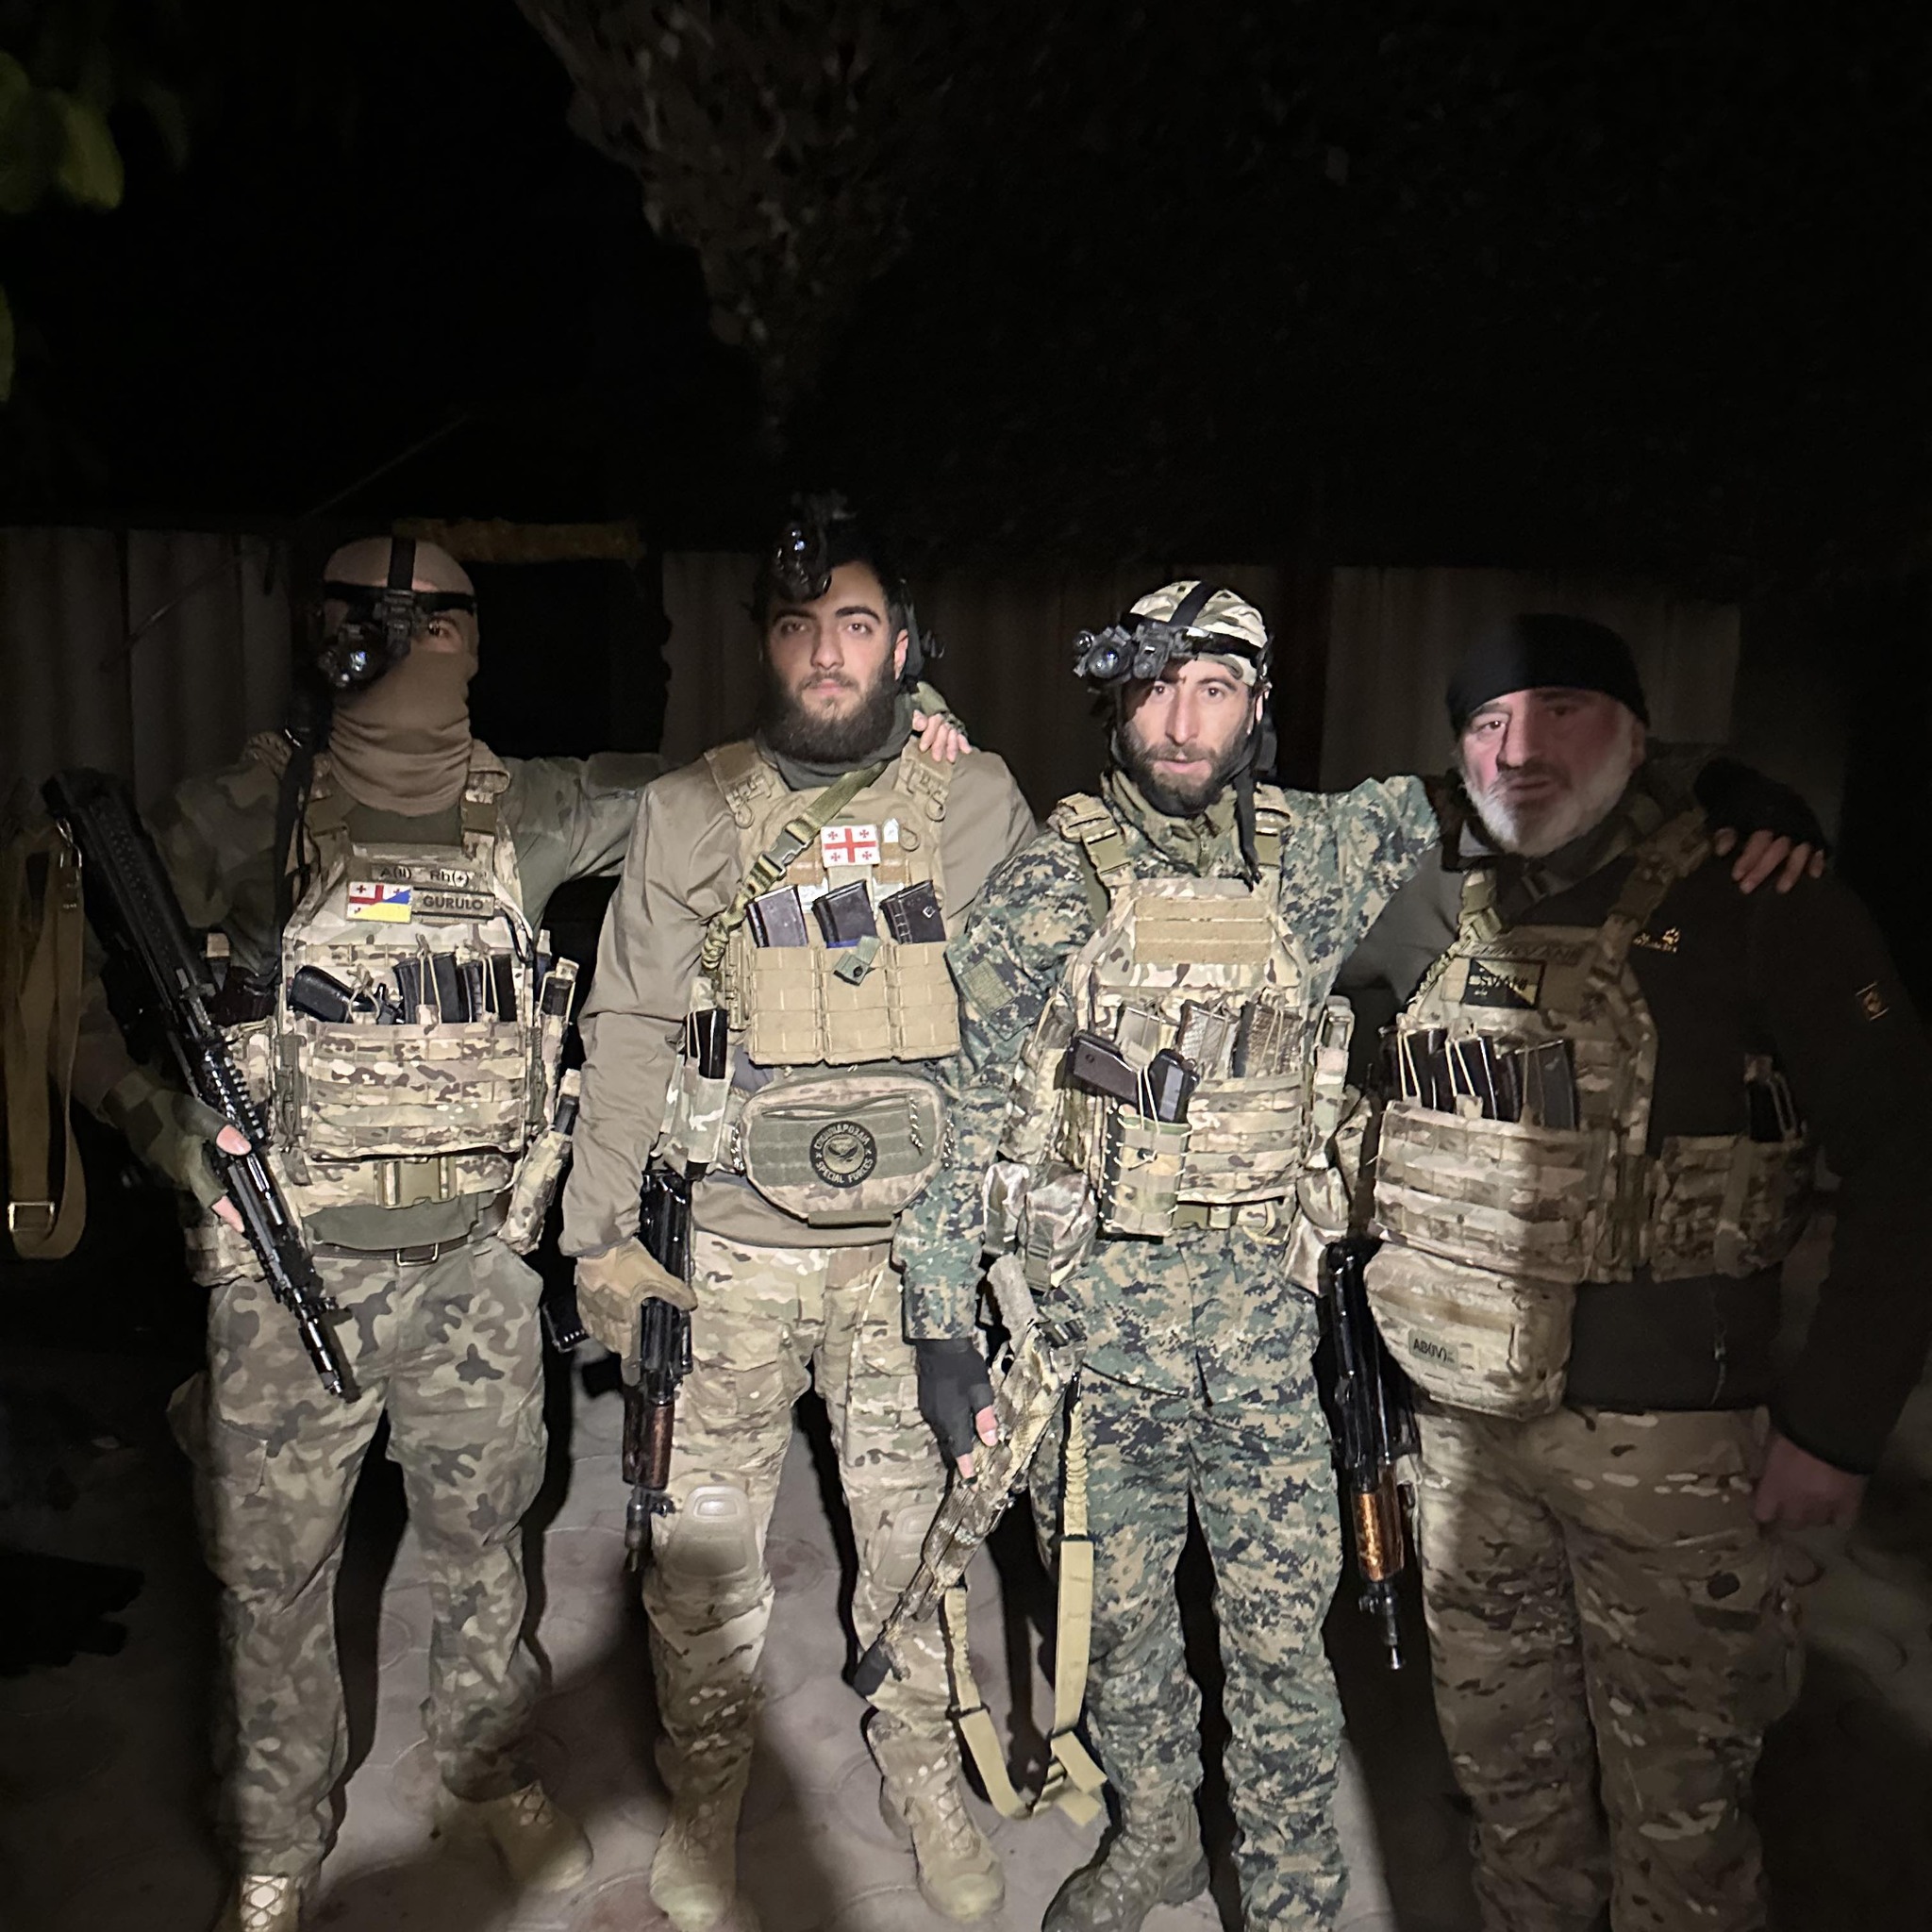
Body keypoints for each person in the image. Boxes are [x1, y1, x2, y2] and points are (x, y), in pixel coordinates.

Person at [62, 535, 964, 1932]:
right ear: (323, 637)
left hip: (475, 1271)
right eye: (370, 622)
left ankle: (485, 1773)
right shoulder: (243, 813)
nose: (404, 649)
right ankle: (276, 1841)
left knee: (484, 1553)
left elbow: (742, 782)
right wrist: (167, 1131)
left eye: (433, 624)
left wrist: (908, 723)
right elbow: (53, 981)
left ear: (474, 642)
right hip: (290, 1276)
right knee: (270, 1582)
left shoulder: (531, 808)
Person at [894, 585, 1823, 1932]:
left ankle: (1290, 1891)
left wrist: (1732, 789)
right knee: (1122, 1639)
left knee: (1284, 1651)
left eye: (1215, 689)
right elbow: (962, 1106)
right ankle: (1155, 1842)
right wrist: (939, 1328)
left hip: (1269, 1360)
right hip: (1098, 1359)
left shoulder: (1326, 849)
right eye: (1155, 689)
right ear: (1117, 704)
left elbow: (1530, 780)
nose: (1182, 721)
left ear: (1257, 710)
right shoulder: (1049, 880)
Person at [1344, 613, 1931, 1932]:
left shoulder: (1761, 897)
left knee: (1684, 1809)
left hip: (1673, 1451)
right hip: (1464, 1437)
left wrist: (1836, 1427)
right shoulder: (1424, 895)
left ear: (1639, 734)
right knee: (1507, 1779)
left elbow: (1907, 1165)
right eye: (1488, 722)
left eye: (1563, 710)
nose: (1522, 749)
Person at [559, 496, 1035, 1931]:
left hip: (910, 1269)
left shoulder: (976, 802)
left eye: (857, 624)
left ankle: (924, 1775)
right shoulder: (689, 810)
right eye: (797, 626)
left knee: (919, 1548)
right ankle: (707, 1790)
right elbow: (628, 1023)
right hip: (727, 1261)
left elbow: (1023, 1026)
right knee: (699, 1560)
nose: (828, 654)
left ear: (903, 643)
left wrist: (1010, 1253)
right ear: (763, 646)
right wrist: (598, 1234)